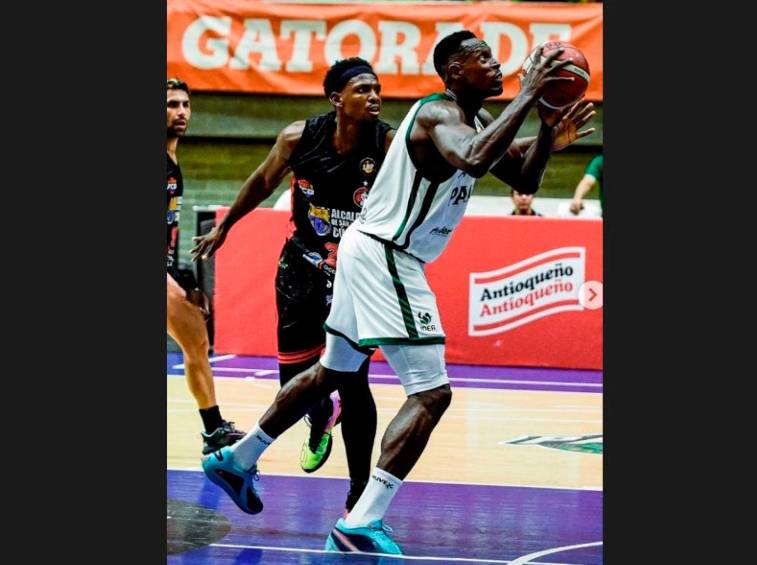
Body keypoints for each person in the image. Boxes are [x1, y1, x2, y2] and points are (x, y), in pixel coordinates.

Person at [201, 30, 595, 555]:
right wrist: (528, 94)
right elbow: (474, 159)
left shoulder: (474, 121)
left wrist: (545, 130)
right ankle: (361, 521)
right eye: (482, 58)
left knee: (333, 372)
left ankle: (238, 459)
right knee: (432, 392)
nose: (499, 65)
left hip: (367, 249)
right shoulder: (437, 115)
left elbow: (522, 173)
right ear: (453, 71)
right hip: (389, 253)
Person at [191, 59, 394, 514]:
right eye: (363, 89)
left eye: (377, 89)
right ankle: (321, 417)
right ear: (336, 99)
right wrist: (226, 227)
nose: (375, 96)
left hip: (356, 275)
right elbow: (264, 180)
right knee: (297, 385)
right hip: (301, 269)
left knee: (355, 381)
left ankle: (359, 493)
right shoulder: (299, 137)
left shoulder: (387, 143)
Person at [166, 78, 246, 455]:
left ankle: (214, 429)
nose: (181, 112)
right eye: (171, 105)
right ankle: (213, 430)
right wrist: (179, 279)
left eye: (185, 104)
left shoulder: (172, 159)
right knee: (196, 338)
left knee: (196, 338)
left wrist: (180, 275)